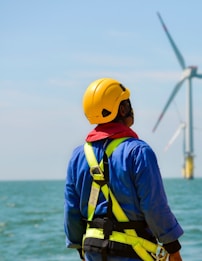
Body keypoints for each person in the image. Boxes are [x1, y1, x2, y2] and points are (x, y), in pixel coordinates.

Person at [64, 78, 184, 261]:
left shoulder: (78, 156)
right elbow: (154, 206)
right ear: (122, 109)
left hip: (92, 251)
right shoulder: (138, 152)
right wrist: (173, 249)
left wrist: (80, 248)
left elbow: (71, 211)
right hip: (134, 253)